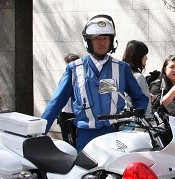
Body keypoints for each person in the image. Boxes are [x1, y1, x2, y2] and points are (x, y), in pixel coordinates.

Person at [42, 15, 149, 151]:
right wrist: (39, 132)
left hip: (114, 133)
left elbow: (140, 98)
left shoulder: (122, 68)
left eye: (105, 38)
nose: (101, 43)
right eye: (96, 38)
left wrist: (133, 121)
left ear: (111, 41)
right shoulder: (74, 69)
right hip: (86, 135)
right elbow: (56, 103)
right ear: (88, 41)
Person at [122, 40, 152, 118]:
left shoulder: (122, 73)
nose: (146, 58)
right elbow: (140, 102)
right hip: (140, 121)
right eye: (144, 55)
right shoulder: (138, 76)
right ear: (138, 56)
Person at [57, 53, 80, 146]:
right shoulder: (65, 77)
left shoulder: (81, 77)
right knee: (68, 140)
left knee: (76, 139)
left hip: (77, 112)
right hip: (65, 112)